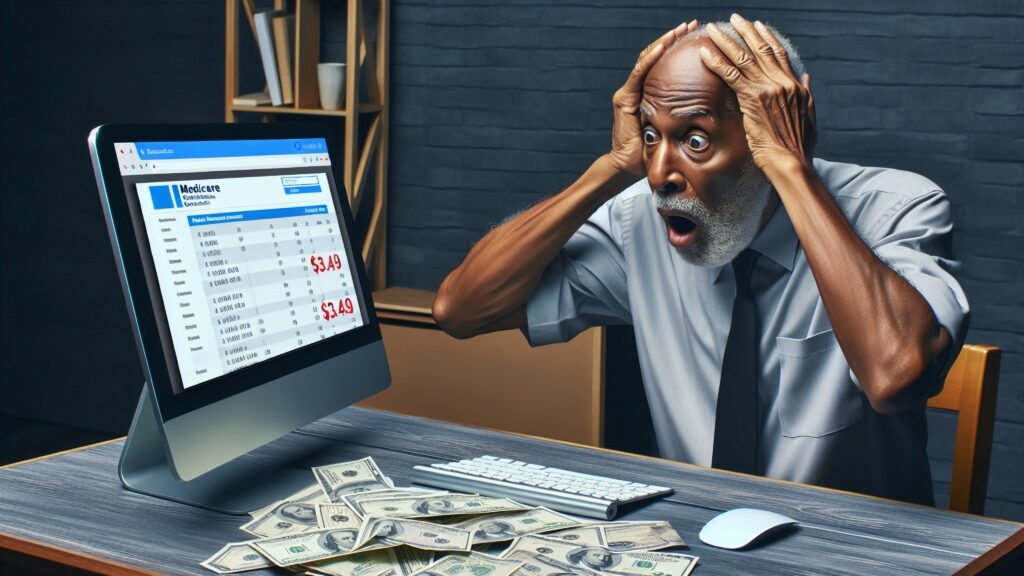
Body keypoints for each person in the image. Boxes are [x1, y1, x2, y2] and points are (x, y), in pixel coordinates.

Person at [432, 14, 968, 505]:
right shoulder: (637, 220)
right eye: (649, 135)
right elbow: (461, 311)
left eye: (695, 139)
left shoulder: (900, 208)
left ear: (782, 128)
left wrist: (789, 168)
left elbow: (895, 374)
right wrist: (613, 168)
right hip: (700, 544)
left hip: (861, 554)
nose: (661, 173)